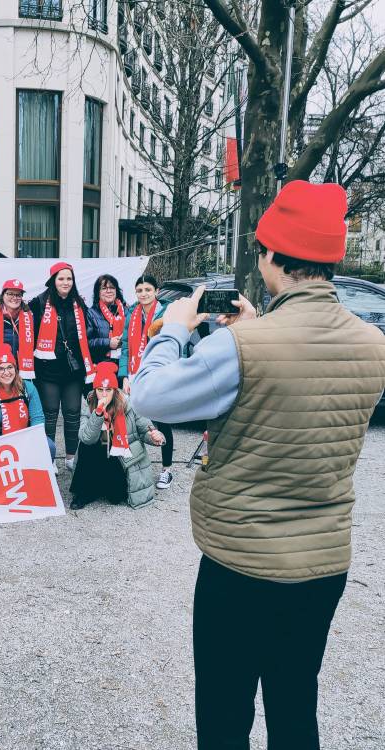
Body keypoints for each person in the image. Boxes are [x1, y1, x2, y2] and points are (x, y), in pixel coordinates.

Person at [130, 180, 385, 750]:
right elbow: (301, 398)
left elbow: (150, 395)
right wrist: (253, 334)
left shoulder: (242, 346)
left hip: (239, 563)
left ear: (272, 256)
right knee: (296, 706)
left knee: (224, 714)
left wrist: (174, 328)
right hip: (322, 562)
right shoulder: (373, 343)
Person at [70, 362, 164, 510]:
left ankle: (105, 486)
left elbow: (145, 429)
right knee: (85, 444)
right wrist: (98, 413)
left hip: (119, 457)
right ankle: (84, 492)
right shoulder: (88, 404)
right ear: (95, 390)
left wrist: (154, 436)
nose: (104, 394)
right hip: (96, 454)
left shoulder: (128, 404)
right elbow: (86, 437)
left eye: (108, 390)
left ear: (115, 390)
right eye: (100, 390)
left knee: (115, 497)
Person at [29, 262, 95, 471]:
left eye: (69, 278)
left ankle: (70, 457)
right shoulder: (38, 303)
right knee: (49, 414)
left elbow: (87, 334)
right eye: (61, 278)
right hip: (47, 370)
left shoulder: (79, 304)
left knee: (73, 413)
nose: (66, 282)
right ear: (53, 281)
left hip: (73, 371)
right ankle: (49, 458)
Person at [118, 274, 175, 490]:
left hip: (158, 372)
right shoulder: (131, 313)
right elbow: (125, 346)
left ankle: (167, 470)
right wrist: (124, 375)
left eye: (148, 290)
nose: (144, 294)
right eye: (140, 290)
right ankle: (134, 467)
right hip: (134, 372)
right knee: (132, 421)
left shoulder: (166, 313)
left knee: (162, 420)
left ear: (157, 291)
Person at [0, 343, 56, 462]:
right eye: (1, 368)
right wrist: (9, 449)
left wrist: (27, 441)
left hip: (26, 437)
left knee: (49, 446)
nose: (6, 372)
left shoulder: (28, 388)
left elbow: (38, 419)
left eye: (10, 367)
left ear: (15, 368)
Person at [0, 279, 35, 379]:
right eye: (10, 294)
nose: (15, 298)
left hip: (21, 372)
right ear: (3, 295)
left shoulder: (29, 316)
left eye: (18, 295)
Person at [86, 274, 127, 366]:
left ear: (116, 290)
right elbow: (86, 342)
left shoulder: (127, 311)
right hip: (102, 364)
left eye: (112, 287)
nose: (109, 291)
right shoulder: (90, 313)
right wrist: (108, 343)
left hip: (125, 363)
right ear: (98, 292)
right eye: (104, 288)